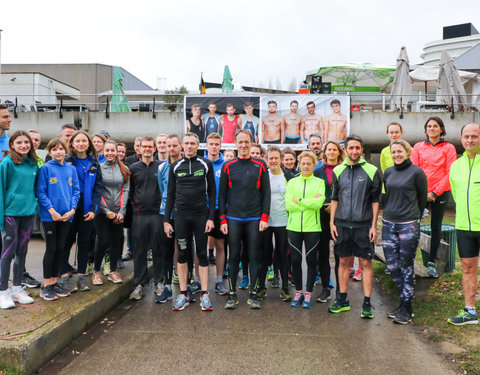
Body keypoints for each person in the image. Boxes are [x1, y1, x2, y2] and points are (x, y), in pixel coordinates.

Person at [328, 134, 381, 319]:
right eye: (351, 148)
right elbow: (334, 199)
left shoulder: (372, 170)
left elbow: (375, 201)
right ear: (345, 150)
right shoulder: (337, 171)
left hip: (363, 225)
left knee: (365, 263)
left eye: (357, 148)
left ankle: (366, 303)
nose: (354, 151)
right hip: (342, 224)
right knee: (343, 262)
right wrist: (332, 223)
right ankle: (342, 300)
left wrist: (374, 226)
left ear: (362, 149)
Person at [164, 133, 216, 311]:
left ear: (198, 145)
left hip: (201, 216)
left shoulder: (205, 164)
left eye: (193, 143)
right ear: (181, 146)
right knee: (183, 254)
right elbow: (170, 194)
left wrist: (210, 218)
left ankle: (204, 294)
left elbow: (212, 193)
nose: (189, 146)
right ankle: (184, 293)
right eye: (186, 143)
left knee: (202, 254)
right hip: (181, 216)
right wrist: (166, 220)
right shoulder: (175, 166)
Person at [219, 129, 270, 309]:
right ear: (235, 143)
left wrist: (265, 217)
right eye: (240, 142)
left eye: (246, 142)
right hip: (233, 218)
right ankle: (232, 294)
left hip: (255, 218)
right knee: (233, 256)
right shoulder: (228, 165)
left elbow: (266, 193)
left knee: (255, 255)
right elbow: (222, 194)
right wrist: (223, 220)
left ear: (251, 142)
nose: (243, 145)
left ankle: (253, 294)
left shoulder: (261, 165)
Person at [383, 140, 427, 324]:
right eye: (393, 152)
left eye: (399, 151)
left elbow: (422, 198)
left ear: (408, 152)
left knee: (405, 265)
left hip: (408, 225)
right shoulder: (388, 172)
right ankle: (405, 303)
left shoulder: (417, 173)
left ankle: (406, 307)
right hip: (388, 223)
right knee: (392, 265)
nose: (396, 155)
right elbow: (387, 195)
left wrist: (412, 216)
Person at [411, 116, 457, 278]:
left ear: (441, 129)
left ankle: (431, 262)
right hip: (422, 192)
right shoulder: (418, 147)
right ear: (425, 130)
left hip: (441, 192)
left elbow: (449, 172)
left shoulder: (449, 148)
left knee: (435, 226)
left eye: (435, 126)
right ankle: (408, 259)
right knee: (412, 224)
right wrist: (423, 193)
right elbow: (414, 171)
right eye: (429, 126)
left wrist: (435, 193)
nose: (431, 128)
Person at [60, 131, 103, 293]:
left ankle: (80, 276)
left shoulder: (94, 163)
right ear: (71, 144)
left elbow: (98, 188)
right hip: (69, 207)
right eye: (77, 141)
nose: (81, 143)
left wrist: (94, 209)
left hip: (87, 208)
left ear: (88, 144)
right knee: (66, 241)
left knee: (84, 242)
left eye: (84, 140)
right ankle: (63, 275)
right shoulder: (66, 161)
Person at [37, 138, 80, 301]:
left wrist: (72, 210)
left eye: (61, 149)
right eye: (54, 149)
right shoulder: (46, 168)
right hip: (50, 216)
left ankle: (55, 282)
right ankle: (46, 285)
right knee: (51, 248)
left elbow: (76, 191)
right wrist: (51, 210)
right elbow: (41, 192)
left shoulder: (71, 169)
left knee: (61, 248)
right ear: (50, 152)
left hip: (66, 215)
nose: (58, 152)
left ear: (66, 151)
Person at [0, 131, 38, 309]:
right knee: (7, 253)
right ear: (12, 145)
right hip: (11, 215)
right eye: (19, 142)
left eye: (26, 142)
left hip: (28, 214)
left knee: (22, 252)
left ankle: (16, 288)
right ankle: (3, 292)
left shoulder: (33, 164)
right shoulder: (7, 163)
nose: (24, 145)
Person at [448, 123, 480, 325]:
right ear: (461, 139)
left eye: (474, 136)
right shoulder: (455, 166)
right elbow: (456, 195)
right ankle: (470, 311)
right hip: (464, 226)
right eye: (466, 136)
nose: (470, 140)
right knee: (467, 268)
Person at [286, 151, 325, 308]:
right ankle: (298, 291)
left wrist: (300, 201)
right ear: (299, 164)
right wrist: (309, 201)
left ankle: (308, 293)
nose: (306, 166)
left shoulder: (319, 182)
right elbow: (289, 205)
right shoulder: (292, 183)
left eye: (309, 163)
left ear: (314, 165)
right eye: (304, 163)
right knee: (295, 260)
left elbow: (319, 203)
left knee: (310, 261)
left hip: (312, 227)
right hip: (293, 226)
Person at [128, 136, 163, 301]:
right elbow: (129, 191)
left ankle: (159, 282)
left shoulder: (161, 167)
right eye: (145, 146)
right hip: (139, 215)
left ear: (154, 149)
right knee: (139, 250)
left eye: (150, 146)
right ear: (139, 149)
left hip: (157, 215)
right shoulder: (133, 168)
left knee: (158, 249)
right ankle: (139, 284)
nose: (147, 149)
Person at [92, 140, 130, 286]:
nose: (109, 153)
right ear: (103, 152)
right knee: (102, 241)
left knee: (117, 240)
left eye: (112, 150)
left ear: (116, 152)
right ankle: (96, 271)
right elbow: (98, 192)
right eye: (107, 151)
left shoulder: (124, 169)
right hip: (102, 213)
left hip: (118, 213)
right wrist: (106, 210)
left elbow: (125, 190)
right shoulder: (99, 168)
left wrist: (122, 211)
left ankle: (112, 270)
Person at [258, 146, 291, 302]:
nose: (273, 161)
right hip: (265, 222)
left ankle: (285, 288)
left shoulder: (288, 177)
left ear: (281, 159)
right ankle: (261, 287)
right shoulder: (263, 176)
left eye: (276, 158)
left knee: (283, 254)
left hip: (283, 221)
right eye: (270, 158)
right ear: (266, 159)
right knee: (264, 255)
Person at [314, 140, 344, 303]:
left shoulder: (345, 169)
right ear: (324, 152)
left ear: (339, 152)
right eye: (328, 150)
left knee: (340, 254)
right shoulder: (318, 171)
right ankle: (325, 288)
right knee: (323, 254)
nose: (331, 152)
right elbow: (314, 191)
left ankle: (341, 289)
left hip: (340, 216)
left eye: (334, 149)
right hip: (322, 216)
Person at [156, 134, 182, 304]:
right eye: (168, 145)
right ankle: (167, 287)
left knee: (183, 250)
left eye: (174, 146)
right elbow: (162, 189)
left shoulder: (186, 165)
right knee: (166, 251)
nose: (171, 149)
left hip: (183, 214)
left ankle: (188, 284)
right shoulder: (162, 168)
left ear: (180, 147)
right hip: (166, 214)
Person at [204, 133, 228, 296]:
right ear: (206, 146)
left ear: (220, 146)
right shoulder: (201, 163)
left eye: (216, 144)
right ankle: (198, 281)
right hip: (203, 210)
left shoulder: (226, 165)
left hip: (221, 210)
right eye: (211, 144)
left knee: (220, 246)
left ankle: (219, 281)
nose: (213, 146)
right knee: (201, 246)